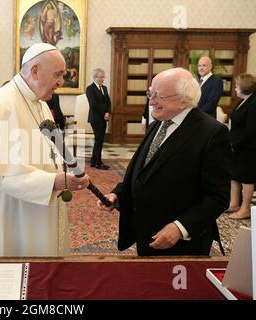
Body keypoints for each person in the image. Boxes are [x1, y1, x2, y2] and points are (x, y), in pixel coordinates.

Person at [0, 43, 89, 257]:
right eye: (57, 74)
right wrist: (54, 182)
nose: (62, 82)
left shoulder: (40, 102)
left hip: (38, 206)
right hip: (10, 212)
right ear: (34, 71)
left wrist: (61, 175)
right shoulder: (0, 104)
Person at [99, 67, 231, 256]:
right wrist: (118, 195)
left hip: (181, 245)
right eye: (150, 93)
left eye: (158, 96)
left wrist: (180, 228)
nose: (151, 101)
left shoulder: (212, 133)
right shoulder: (157, 124)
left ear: (184, 99)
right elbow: (145, 171)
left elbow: (218, 197)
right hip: (147, 234)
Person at [227, 73, 256, 219]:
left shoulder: (253, 103)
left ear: (244, 88)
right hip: (237, 146)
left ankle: (245, 209)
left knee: (246, 178)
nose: (235, 89)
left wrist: (235, 143)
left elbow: (251, 130)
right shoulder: (242, 101)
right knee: (234, 175)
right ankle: (234, 204)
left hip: (249, 148)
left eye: (237, 86)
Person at [86, 68, 111, 170]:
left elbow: (108, 102)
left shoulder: (104, 88)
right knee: (99, 139)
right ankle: (98, 162)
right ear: (95, 77)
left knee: (98, 139)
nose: (102, 79)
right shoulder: (90, 88)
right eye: (100, 77)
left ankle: (93, 161)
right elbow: (93, 104)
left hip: (104, 117)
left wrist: (108, 112)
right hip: (95, 118)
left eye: (103, 77)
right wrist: (104, 113)